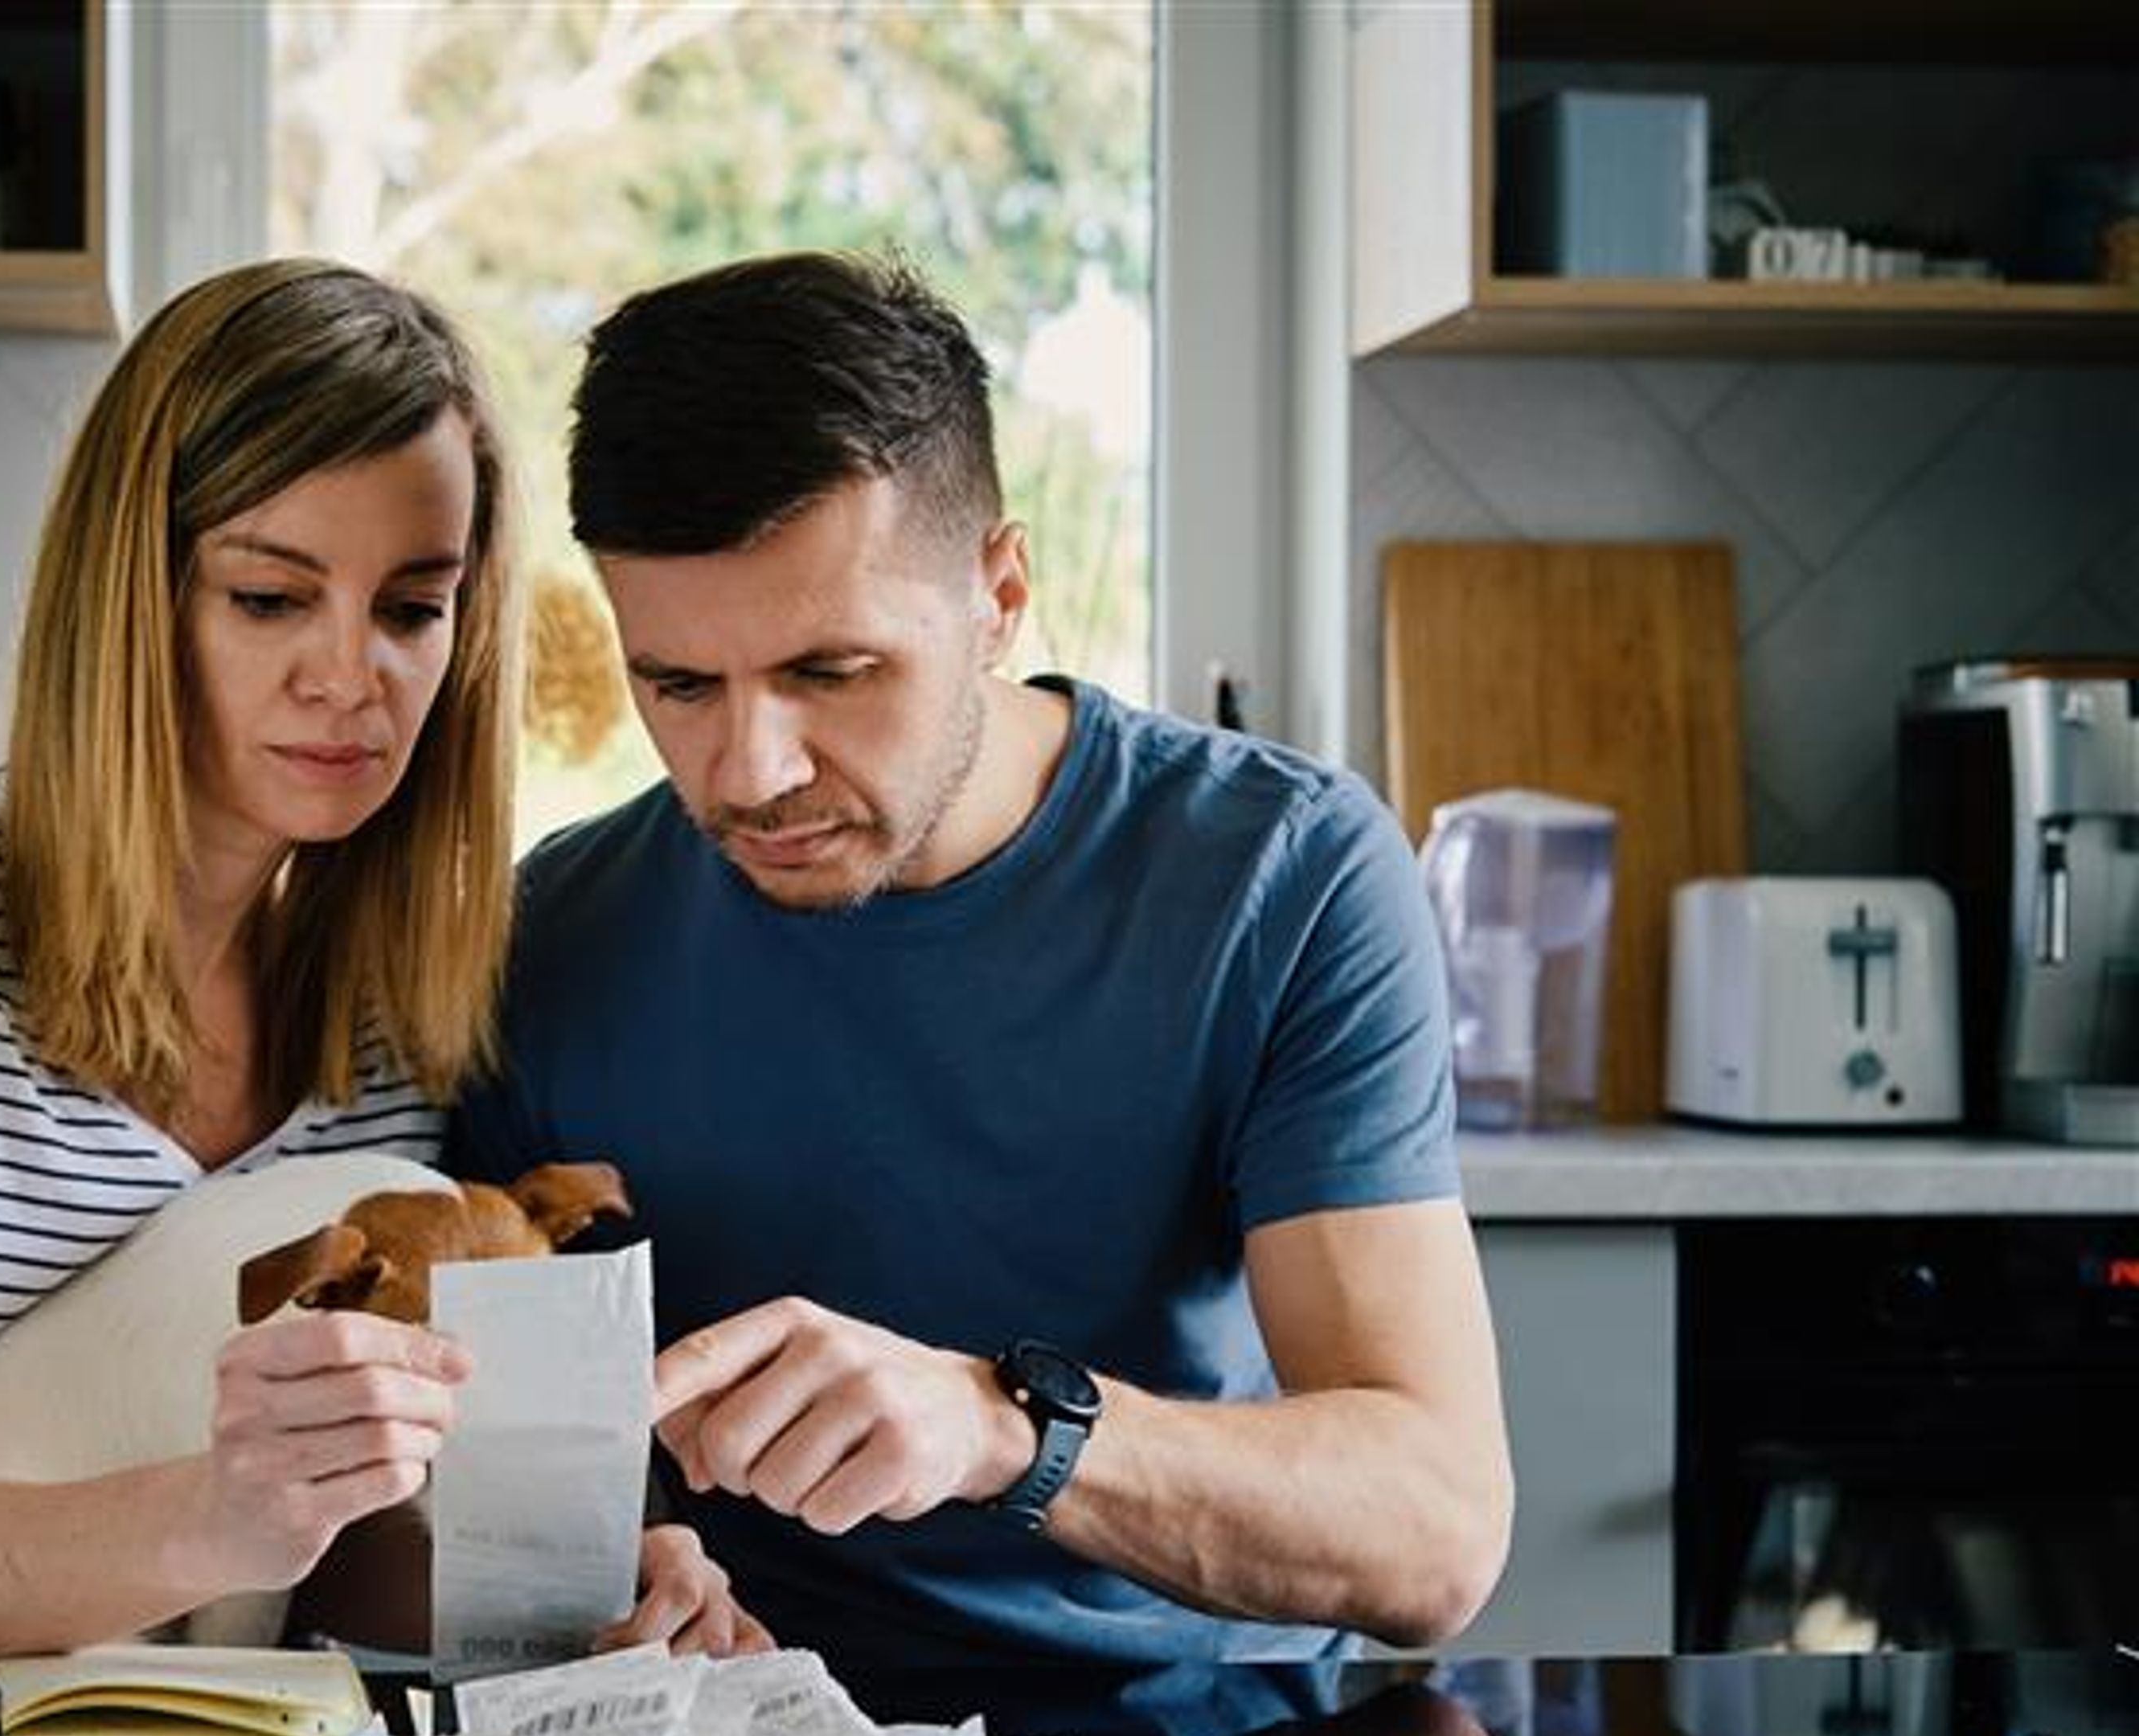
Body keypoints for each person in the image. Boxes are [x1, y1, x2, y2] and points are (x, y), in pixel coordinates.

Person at [452, 252, 1514, 1667]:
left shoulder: (1285, 876)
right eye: (681, 684)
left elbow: (1435, 1536)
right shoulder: (558, 932)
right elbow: (506, 1488)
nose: (752, 770)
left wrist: (1007, 1430)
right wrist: (608, 1570)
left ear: (999, 593)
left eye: (832, 672)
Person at [0, 258, 756, 1659]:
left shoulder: (399, 1006)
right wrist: (214, 1514)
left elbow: (323, 1568)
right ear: (135, 597)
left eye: (410, 608)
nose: (350, 675)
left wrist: (574, 1598)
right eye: (270, 598)